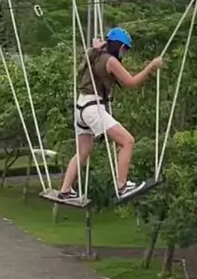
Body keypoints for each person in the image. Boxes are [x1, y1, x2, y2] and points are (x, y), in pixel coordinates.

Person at [58, 27, 163, 201]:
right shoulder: (110, 61)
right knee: (127, 141)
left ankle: (65, 189)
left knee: (83, 152)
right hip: (93, 108)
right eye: (124, 49)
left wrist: (100, 44)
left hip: (81, 107)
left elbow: (97, 45)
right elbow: (131, 82)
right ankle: (122, 186)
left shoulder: (94, 53)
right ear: (118, 46)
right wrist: (151, 66)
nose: (124, 53)